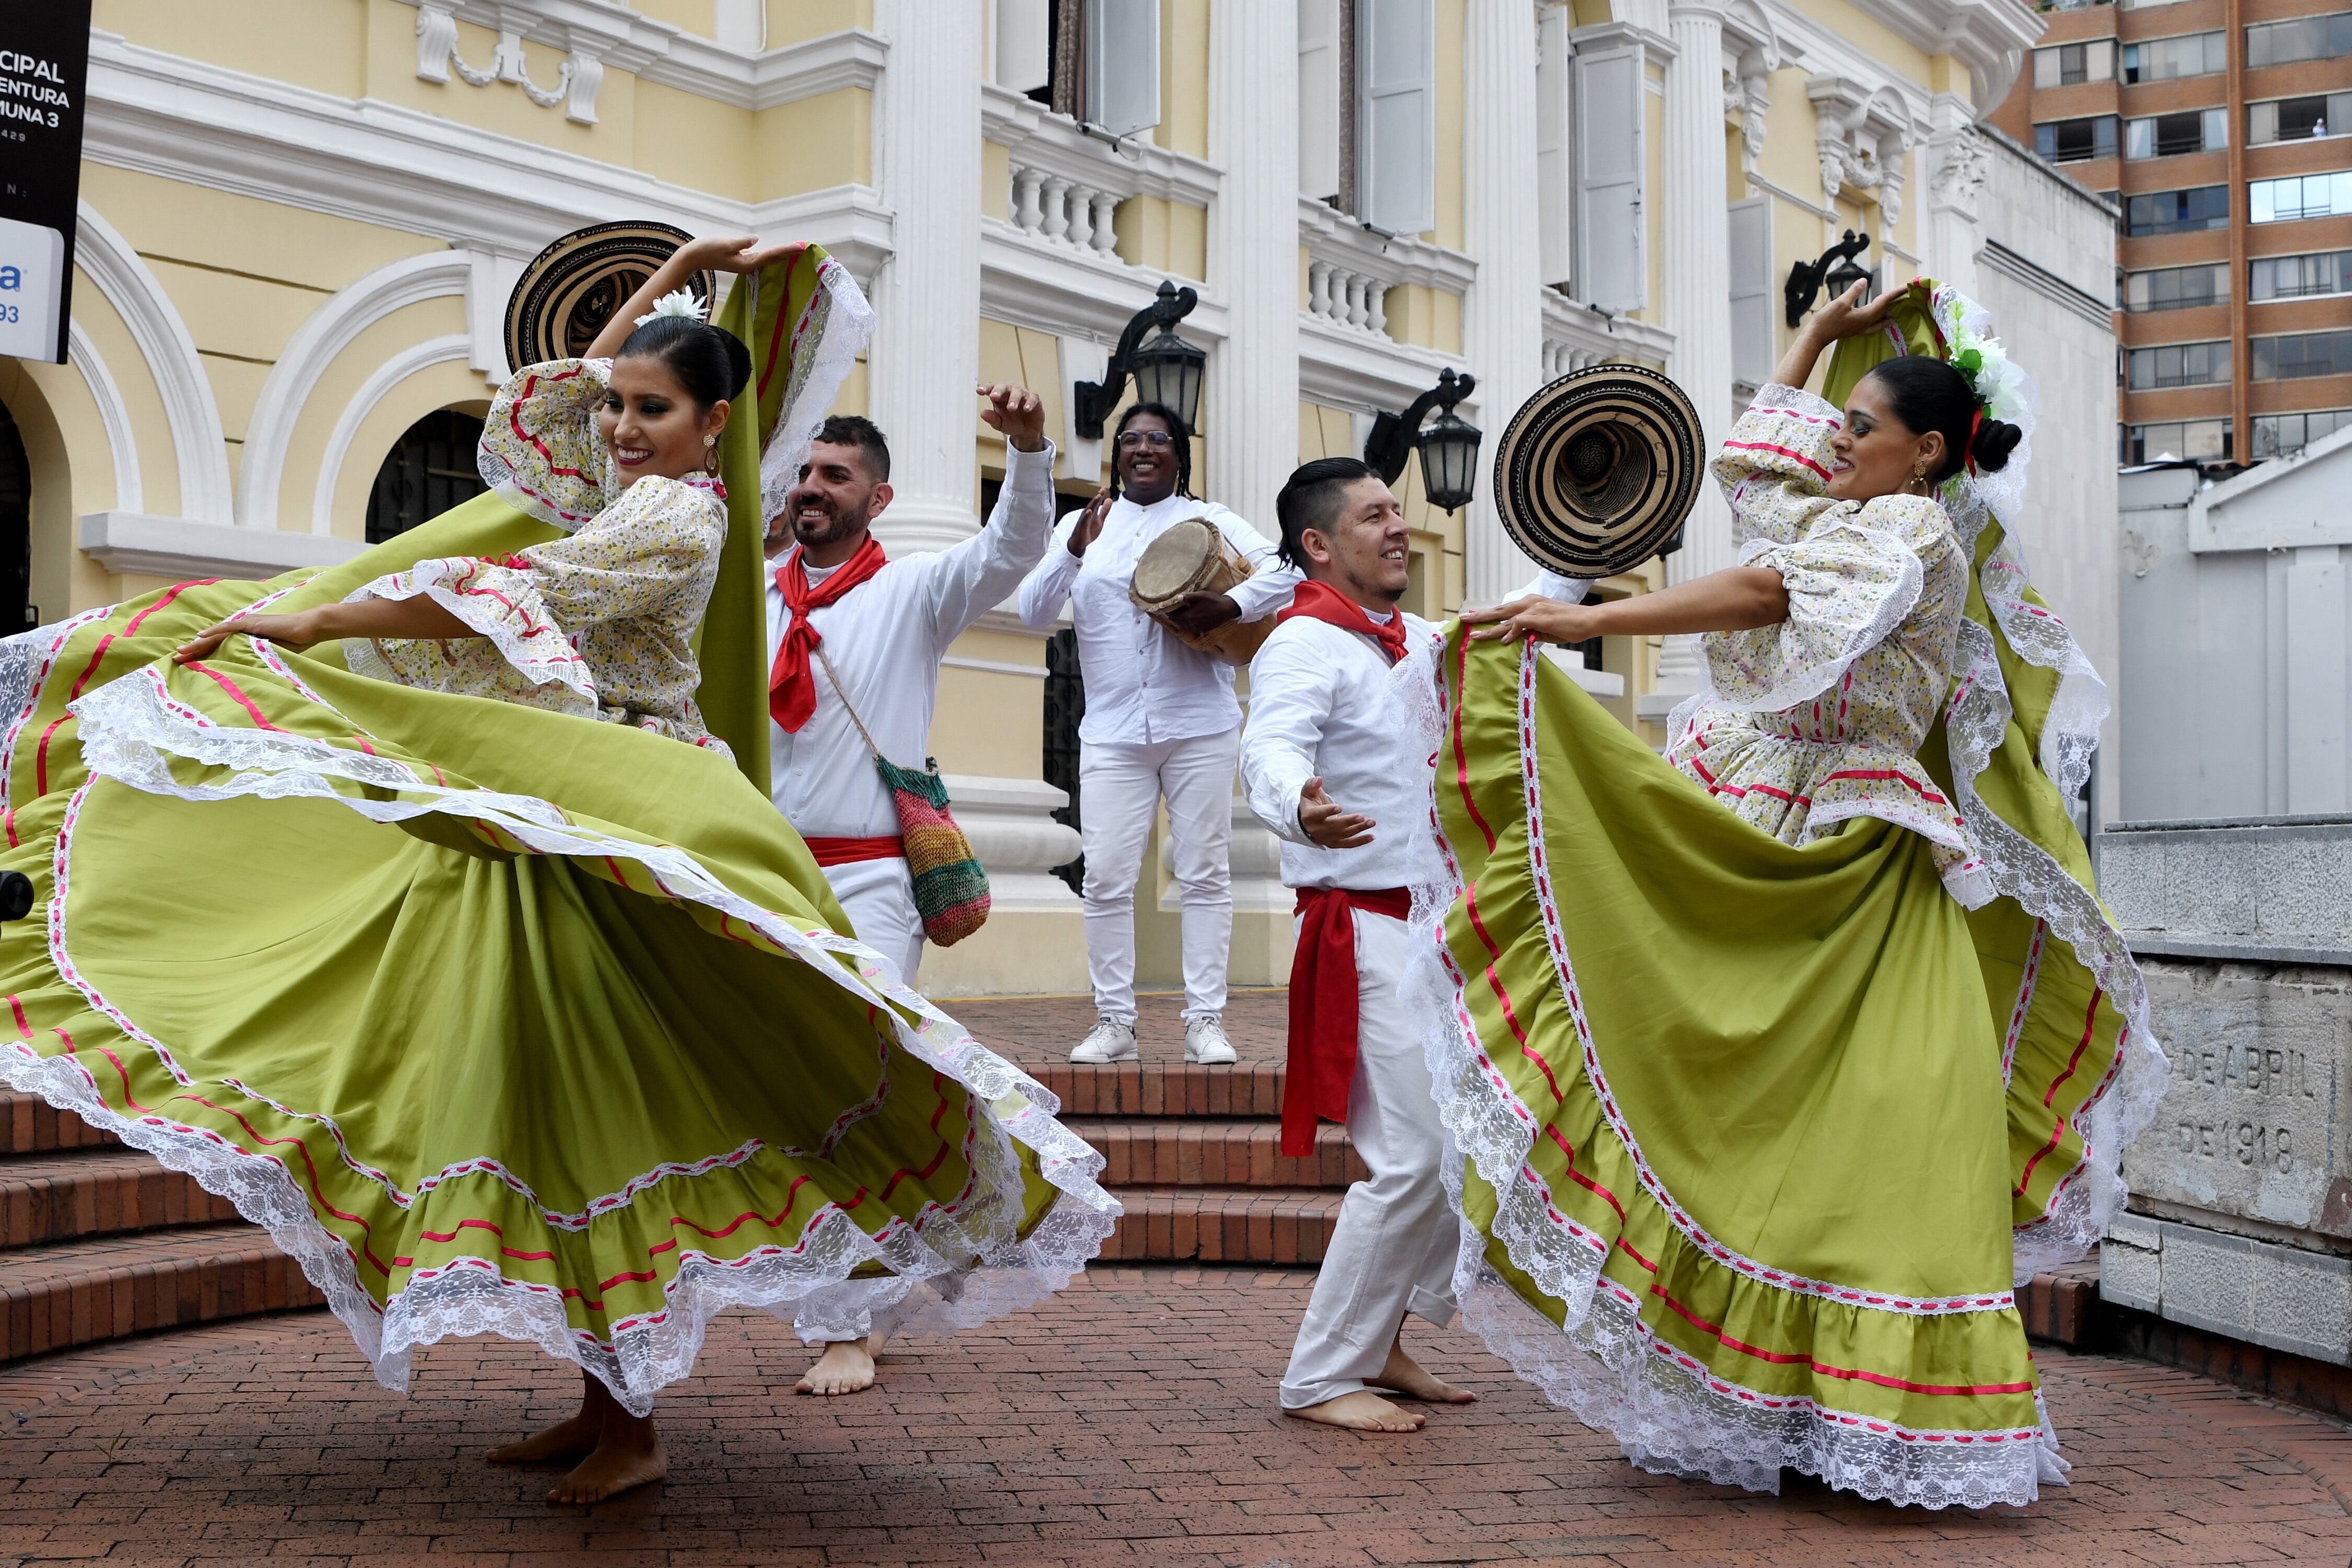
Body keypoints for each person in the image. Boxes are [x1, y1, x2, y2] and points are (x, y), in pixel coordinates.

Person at [1, 234, 1113, 1507]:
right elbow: (569, 394)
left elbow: (497, 593)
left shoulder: (677, 518)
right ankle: (600, 1406)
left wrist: (317, 618)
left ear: (715, 425)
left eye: (656, 409)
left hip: (629, 832)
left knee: (593, 1114)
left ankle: (631, 1427)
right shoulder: (626, 479)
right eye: (624, 407)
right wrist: (682, 267)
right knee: (553, 1113)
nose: (625, 425)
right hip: (560, 817)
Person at [1406, 279, 2161, 1507]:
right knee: (1764, 1119)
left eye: (1856, 425)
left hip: (1854, 852)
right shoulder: (1847, 512)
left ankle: (1878, 1399)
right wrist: (1812, 334)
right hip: (1776, 814)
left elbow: (1765, 592)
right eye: (1838, 420)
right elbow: (1760, 483)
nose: (1834, 438)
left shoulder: (1910, 531)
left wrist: (1583, 617)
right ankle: (1777, 1398)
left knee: (1861, 1135)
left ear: (1922, 452)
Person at [763, 396, 1058, 1397]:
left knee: (851, 1082)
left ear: (877, 497)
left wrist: (1025, 450)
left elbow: (1011, 550)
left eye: (835, 476)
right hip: (764, 871)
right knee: (792, 1091)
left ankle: (848, 1323)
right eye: (806, 473)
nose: (812, 488)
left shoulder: (917, 592)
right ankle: (841, 1291)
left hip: (870, 878)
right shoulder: (753, 599)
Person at [1239, 457, 1474, 1432]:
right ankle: (1322, 1374)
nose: (1400, 528)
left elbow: (1505, 651)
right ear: (1319, 546)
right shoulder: (1301, 646)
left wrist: (1579, 562)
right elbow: (1270, 745)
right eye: (1376, 515)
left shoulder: (1418, 638)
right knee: (1412, 1157)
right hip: (1365, 931)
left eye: (1399, 513)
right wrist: (1297, 802)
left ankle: (1377, 1341)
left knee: (1458, 1146)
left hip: (1434, 930)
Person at [1016, 402, 1300, 1066]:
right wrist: (1075, 553)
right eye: (1131, 440)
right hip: (1113, 730)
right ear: (1116, 455)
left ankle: (1205, 1021)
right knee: (1107, 878)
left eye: (1159, 440)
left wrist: (1233, 604)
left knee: (1204, 872)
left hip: (1199, 722)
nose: (1144, 448)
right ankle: (1115, 1021)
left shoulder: (1210, 519)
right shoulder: (1082, 528)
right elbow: (1032, 610)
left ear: (1179, 455)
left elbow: (1287, 572)